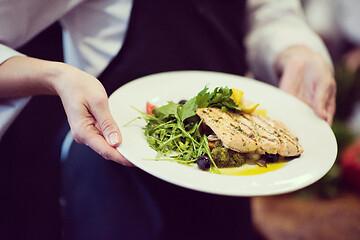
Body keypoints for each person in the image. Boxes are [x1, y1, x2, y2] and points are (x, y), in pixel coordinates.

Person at [0, 0, 336, 239]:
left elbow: (269, 13)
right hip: (115, 172)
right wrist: (56, 76)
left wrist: (296, 50)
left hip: (228, 176)